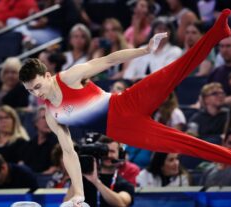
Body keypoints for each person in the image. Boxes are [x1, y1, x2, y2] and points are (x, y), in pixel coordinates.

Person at [19, 9, 231, 206]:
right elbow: (69, 152)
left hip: (126, 101)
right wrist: (79, 193)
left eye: (37, 86)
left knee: (176, 69)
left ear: (47, 76)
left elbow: (109, 60)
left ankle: (218, 32)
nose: (36, 93)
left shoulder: (69, 76)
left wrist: (145, 50)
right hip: (124, 131)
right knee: (184, 143)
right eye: (30, 91)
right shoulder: (51, 115)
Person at [65, 136, 134, 207]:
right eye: (104, 151)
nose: (108, 155)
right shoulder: (82, 180)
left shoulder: (124, 184)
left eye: (112, 151)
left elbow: (121, 204)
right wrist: (78, 176)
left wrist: (96, 182)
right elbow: (66, 204)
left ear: (120, 155)